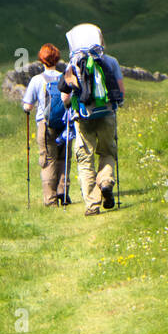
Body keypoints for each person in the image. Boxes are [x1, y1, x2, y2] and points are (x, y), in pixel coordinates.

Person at [58, 24, 125, 217]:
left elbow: (65, 98)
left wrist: (71, 105)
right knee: (107, 151)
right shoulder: (111, 62)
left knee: (85, 159)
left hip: (83, 117)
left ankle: (92, 205)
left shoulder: (72, 64)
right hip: (107, 114)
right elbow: (120, 92)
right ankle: (105, 182)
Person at [22, 43, 71, 207]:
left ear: (41, 60)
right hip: (65, 124)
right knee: (64, 158)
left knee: (48, 160)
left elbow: (27, 106)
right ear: (57, 59)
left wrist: (28, 108)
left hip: (45, 124)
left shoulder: (37, 80)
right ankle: (63, 192)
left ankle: (50, 200)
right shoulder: (64, 77)